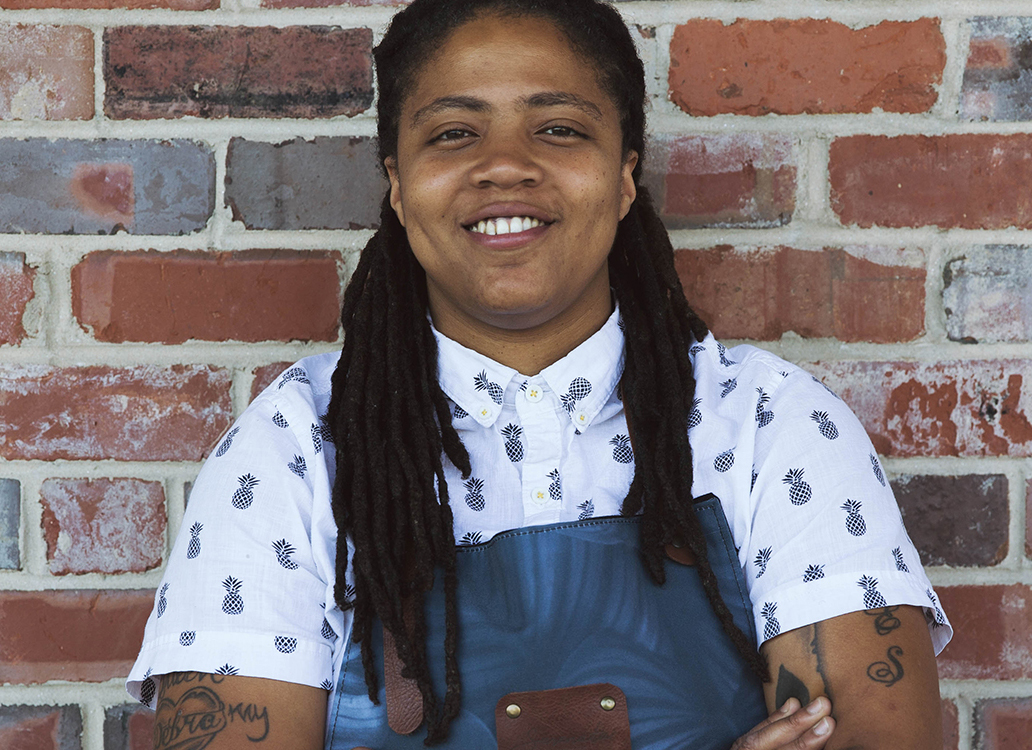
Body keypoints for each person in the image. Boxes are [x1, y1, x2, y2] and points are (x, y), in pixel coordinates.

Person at [128, 0, 952, 748]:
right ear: (399, 188)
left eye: (558, 128)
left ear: (627, 174)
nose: (505, 166)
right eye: (454, 133)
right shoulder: (294, 452)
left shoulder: (772, 426)